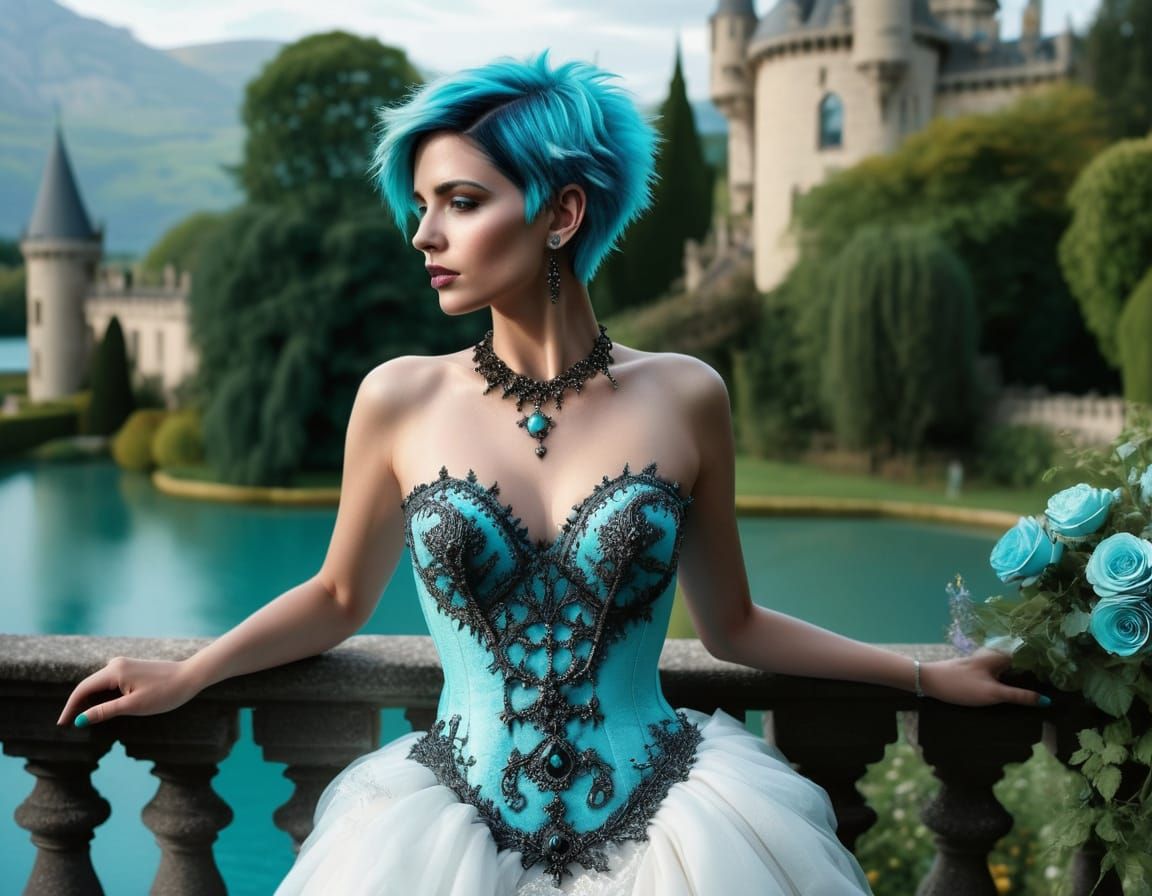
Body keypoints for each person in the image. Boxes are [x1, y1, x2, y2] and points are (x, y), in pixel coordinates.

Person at [59, 53, 1046, 895]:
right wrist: (190, 670)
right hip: (441, 835)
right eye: (421, 205)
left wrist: (924, 672)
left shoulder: (686, 395)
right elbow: (336, 593)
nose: (424, 234)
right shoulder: (399, 397)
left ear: (561, 211)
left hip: (677, 832)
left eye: (461, 201)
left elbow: (735, 624)